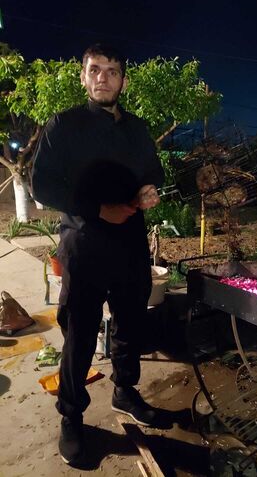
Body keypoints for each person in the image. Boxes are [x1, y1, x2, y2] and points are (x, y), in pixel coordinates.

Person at [31, 43, 165, 465]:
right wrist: (97, 209)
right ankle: (71, 416)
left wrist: (149, 190)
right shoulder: (64, 125)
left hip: (130, 241)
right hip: (84, 240)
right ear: (83, 76)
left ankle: (125, 391)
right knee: (80, 332)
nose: (103, 77)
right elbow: (42, 185)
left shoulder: (137, 128)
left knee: (130, 321)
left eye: (112, 70)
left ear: (123, 80)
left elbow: (153, 172)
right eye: (95, 70)